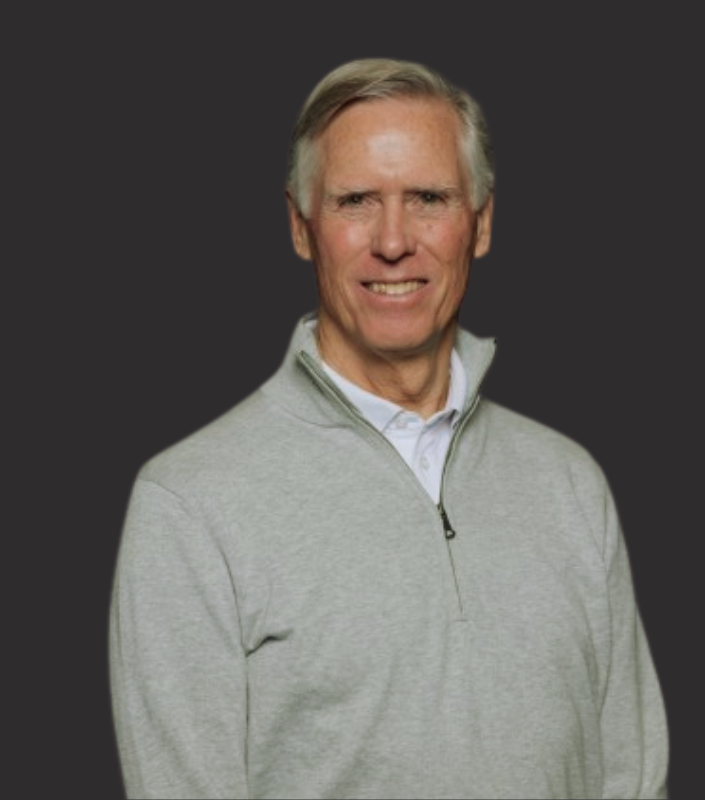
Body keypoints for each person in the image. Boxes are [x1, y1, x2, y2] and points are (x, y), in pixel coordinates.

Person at [109, 58, 669, 799]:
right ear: (301, 227)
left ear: (483, 221)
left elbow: (633, 781)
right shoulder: (190, 505)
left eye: (429, 198)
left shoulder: (569, 484)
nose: (395, 241)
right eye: (356, 201)